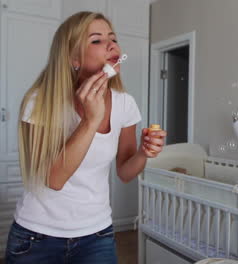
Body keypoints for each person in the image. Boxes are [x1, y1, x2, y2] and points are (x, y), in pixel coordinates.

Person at [5, 11, 166, 264]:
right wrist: (91, 120)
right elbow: (54, 179)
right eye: (97, 40)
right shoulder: (40, 101)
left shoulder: (125, 104)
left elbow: (125, 172)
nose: (112, 45)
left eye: (113, 38)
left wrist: (144, 153)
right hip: (36, 238)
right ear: (73, 58)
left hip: (97, 235)